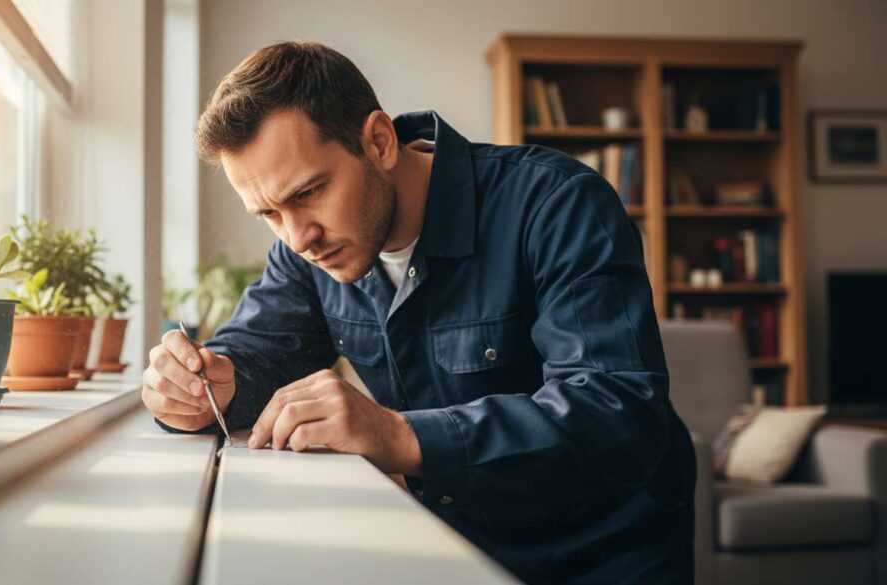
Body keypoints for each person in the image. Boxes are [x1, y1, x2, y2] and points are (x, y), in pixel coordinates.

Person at [142, 40, 696, 583]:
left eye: (310, 192)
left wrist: (399, 436)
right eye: (268, 212)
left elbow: (617, 413)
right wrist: (204, 385)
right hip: (450, 549)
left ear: (380, 141)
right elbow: (257, 351)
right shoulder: (308, 250)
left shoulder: (557, 203)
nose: (298, 236)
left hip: (605, 557)